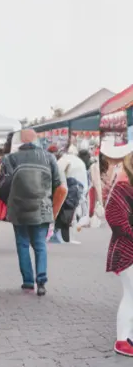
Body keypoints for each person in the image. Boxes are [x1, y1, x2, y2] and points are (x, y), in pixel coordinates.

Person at [0, 129, 66, 296]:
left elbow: (2, 188)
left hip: (18, 208)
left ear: (19, 141)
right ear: (36, 141)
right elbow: (60, 185)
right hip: (42, 208)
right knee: (40, 244)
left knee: (22, 244)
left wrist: (11, 202)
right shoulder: (49, 158)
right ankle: (41, 281)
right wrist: (51, 206)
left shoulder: (9, 159)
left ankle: (28, 282)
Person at [101, 142, 133, 356]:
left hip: (127, 247)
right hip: (126, 250)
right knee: (131, 295)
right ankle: (122, 340)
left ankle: (126, 336)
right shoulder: (123, 187)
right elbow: (114, 217)